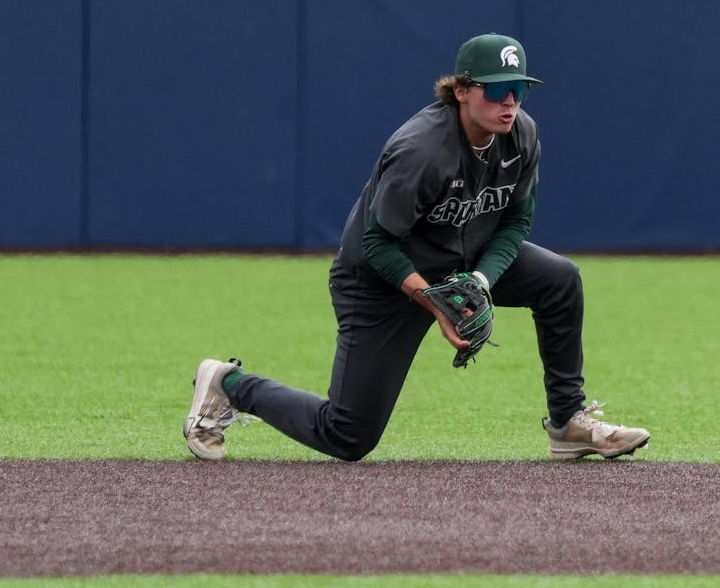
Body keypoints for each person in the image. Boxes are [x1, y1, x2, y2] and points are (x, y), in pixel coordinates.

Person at [183, 33, 650, 462]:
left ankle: (567, 421)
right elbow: (376, 244)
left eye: (519, 89)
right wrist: (434, 303)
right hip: (380, 279)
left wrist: (481, 282)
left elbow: (516, 220)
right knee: (347, 435)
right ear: (462, 90)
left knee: (559, 279)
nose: (509, 101)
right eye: (495, 89)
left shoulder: (521, 135)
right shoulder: (421, 150)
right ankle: (230, 384)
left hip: (460, 260)